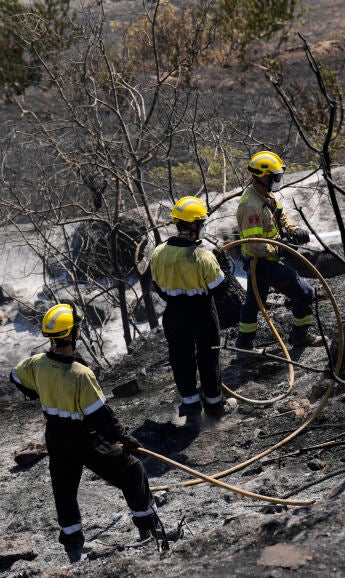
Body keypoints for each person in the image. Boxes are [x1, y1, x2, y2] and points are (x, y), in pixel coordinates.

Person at [9, 303, 161, 560]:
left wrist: (36, 392)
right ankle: (149, 528)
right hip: (83, 436)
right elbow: (100, 416)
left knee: (64, 487)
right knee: (132, 470)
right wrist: (124, 438)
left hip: (55, 434)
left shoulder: (37, 364)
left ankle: (73, 544)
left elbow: (15, 376)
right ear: (72, 335)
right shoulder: (81, 374)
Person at [149, 196, 237, 422]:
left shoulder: (159, 253)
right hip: (202, 313)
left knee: (181, 359)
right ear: (194, 224)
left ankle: (190, 408)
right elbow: (221, 288)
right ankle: (215, 407)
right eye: (202, 222)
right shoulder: (203, 256)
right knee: (209, 357)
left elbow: (158, 288)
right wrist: (225, 267)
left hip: (173, 313)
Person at [235, 150, 323, 350]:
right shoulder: (250, 206)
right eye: (276, 176)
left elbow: (280, 215)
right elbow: (254, 245)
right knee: (304, 293)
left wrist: (294, 230)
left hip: (263, 260)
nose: (279, 180)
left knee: (254, 302)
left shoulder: (265, 194)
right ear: (264, 176)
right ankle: (300, 336)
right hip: (262, 263)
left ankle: (243, 345)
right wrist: (280, 250)